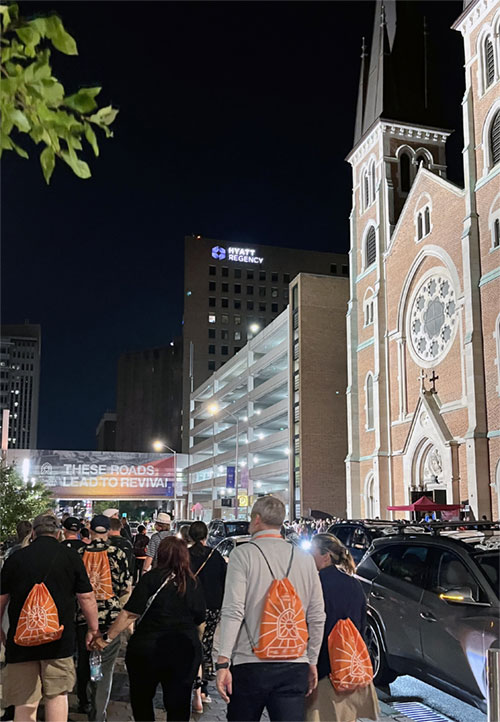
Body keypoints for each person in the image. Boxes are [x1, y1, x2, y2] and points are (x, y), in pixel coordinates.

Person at [216, 496, 326, 722]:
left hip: (250, 663)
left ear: (256, 520)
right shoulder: (305, 559)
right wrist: (312, 660)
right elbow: (317, 615)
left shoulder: (242, 555)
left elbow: (233, 611)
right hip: (295, 663)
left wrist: (223, 661)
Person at [93, 536, 206, 722]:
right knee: (179, 703)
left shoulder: (150, 579)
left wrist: (106, 638)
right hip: (183, 651)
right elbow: (200, 617)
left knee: (142, 699)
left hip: (147, 650)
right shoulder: (192, 583)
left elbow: (130, 613)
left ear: (161, 555)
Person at [0, 514, 99, 722]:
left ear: (33, 533)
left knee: (25, 698)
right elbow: (87, 597)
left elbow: (1, 599)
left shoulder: (16, 558)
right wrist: (92, 628)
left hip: (21, 639)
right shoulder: (70, 557)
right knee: (56, 694)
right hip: (59, 638)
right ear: (58, 533)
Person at [307, 534, 379, 722]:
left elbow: (313, 627)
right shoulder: (353, 583)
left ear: (326, 556)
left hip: (323, 670)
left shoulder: (316, 584)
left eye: (311, 552)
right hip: (348, 666)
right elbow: (361, 624)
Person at [76, 515, 130, 720]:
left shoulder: (79, 553)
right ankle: (98, 714)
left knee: (84, 661)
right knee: (105, 668)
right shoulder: (117, 553)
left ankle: (83, 700)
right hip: (110, 618)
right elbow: (125, 585)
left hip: (83, 616)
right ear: (108, 531)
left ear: (89, 531)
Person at [189, 521, 227, 708]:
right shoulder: (216, 555)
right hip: (212, 607)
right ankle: (202, 689)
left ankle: (188, 684)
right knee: (206, 644)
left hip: (189, 607)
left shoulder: (185, 556)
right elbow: (225, 581)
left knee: (189, 644)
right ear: (206, 536)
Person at [108, 517, 135, 587]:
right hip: (126, 579)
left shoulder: (108, 543)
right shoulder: (128, 543)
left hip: (109, 580)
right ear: (120, 528)